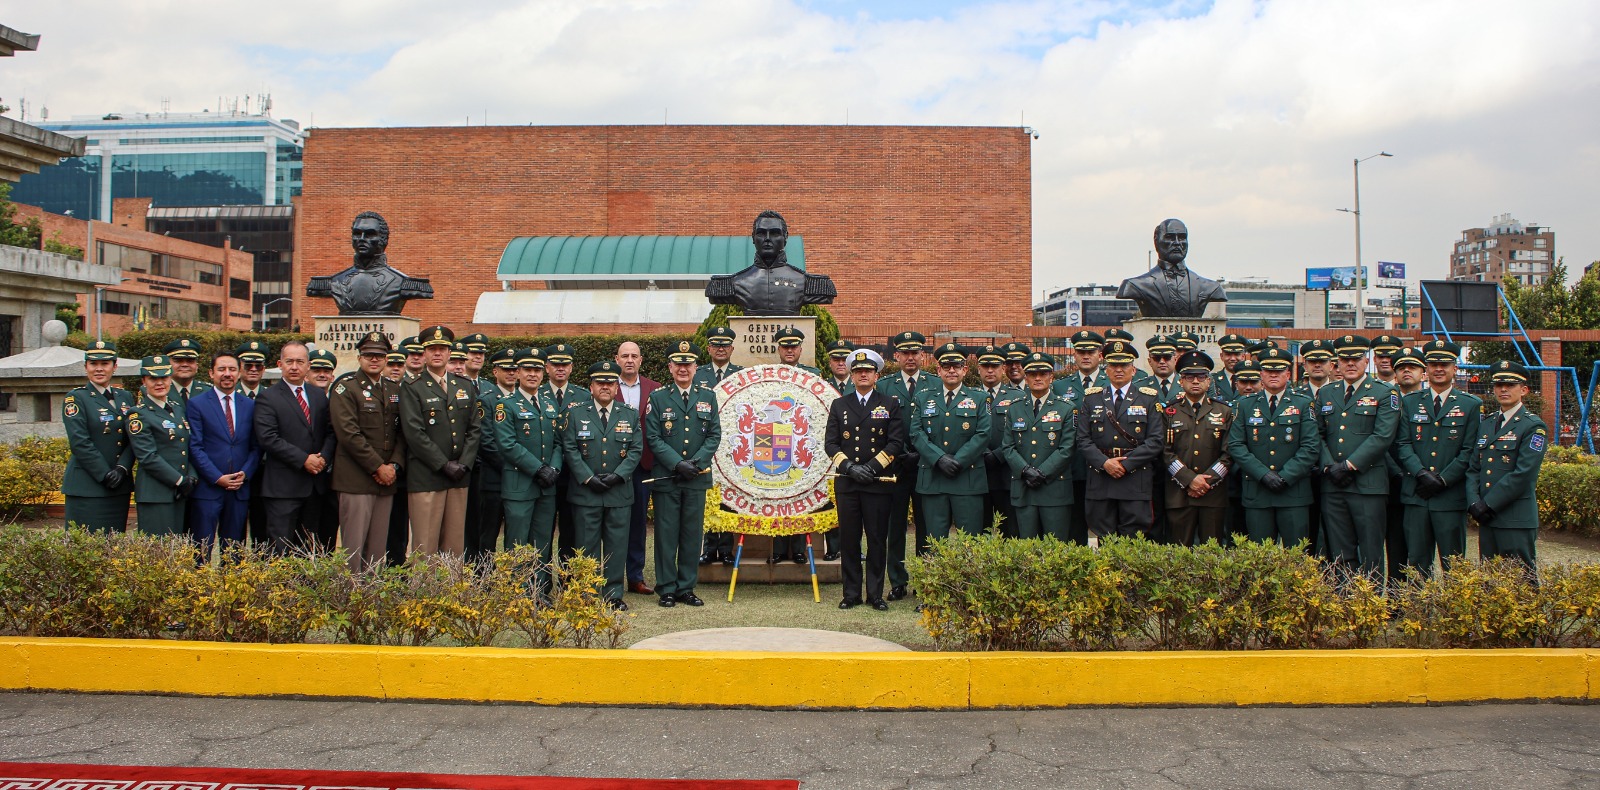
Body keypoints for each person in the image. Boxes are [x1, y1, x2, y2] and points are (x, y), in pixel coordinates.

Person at [1314, 335, 1400, 578]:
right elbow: (1317, 435)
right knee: (1340, 552)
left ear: (1367, 360)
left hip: (1368, 485)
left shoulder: (1384, 393)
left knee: (1371, 551)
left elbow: (1382, 437)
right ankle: (1343, 605)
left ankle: (1369, 608)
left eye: (1356, 358)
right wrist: (1330, 467)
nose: (1350, 363)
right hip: (1333, 485)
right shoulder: (1326, 393)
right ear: (1337, 363)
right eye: (1345, 359)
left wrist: (1349, 466)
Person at [826, 349, 906, 610]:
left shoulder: (890, 403)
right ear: (851, 375)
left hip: (877, 483)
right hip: (848, 483)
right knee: (849, 540)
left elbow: (895, 443)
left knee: (876, 540)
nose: (862, 374)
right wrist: (849, 467)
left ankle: (875, 594)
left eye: (868, 371)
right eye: (858, 371)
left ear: (877, 375)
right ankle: (850, 593)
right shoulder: (839, 405)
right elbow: (831, 444)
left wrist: (870, 468)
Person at [1393, 340, 1480, 576]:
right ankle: (1420, 612)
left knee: (1454, 565)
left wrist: (1442, 480)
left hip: (1449, 497)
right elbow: (1402, 443)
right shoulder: (1410, 402)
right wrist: (1421, 474)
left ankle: (1453, 612)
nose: (1439, 368)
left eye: (1445, 364)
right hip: (1416, 495)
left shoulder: (1471, 405)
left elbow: (1469, 450)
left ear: (1455, 368)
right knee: (1417, 563)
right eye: (1433, 364)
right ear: (1426, 369)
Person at [645, 341, 721, 608]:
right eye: (678, 364)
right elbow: (653, 437)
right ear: (670, 367)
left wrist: (696, 463)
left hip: (696, 478)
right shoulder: (658, 397)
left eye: (688, 364)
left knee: (691, 535)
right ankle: (666, 588)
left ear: (695, 367)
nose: (683, 369)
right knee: (666, 535)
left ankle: (686, 587)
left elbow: (714, 435)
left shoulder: (707, 396)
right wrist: (678, 464)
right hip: (668, 477)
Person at [563, 360, 643, 609]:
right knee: (586, 545)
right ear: (591, 386)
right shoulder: (575, 413)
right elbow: (570, 449)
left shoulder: (629, 413)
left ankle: (613, 594)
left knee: (617, 545)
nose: (605, 387)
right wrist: (588, 477)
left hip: (618, 491)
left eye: (610, 383)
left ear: (616, 387)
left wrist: (619, 475)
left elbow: (635, 449)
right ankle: (586, 592)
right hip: (586, 492)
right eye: (600, 383)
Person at [328, 332, 407, 572]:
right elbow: (348, 434)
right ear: (360, 357)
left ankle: (372, 600)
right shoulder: (346, 388)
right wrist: (378, 467)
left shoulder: (394, 389)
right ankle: (352, 600)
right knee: (354, 549)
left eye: (380, 356)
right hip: (356, 479)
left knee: (377, 550)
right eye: (369, 355)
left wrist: (394, 465)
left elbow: (402, 433)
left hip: (386, 481)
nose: (375, 360)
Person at [400, 326, 481, 557]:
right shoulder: (412, 387)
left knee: (454, 545)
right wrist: (443, 464)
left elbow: (474, 429)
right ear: (424, 354)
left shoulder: (463, 385)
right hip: (428, 476)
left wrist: (464, 463)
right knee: (425, 545)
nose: (437, 353)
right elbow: (414, 433)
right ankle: (424, 592)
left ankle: (453, 593)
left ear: (449, 354)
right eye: (432, 349)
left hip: (459, 476)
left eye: (442, 349)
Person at [1228, 348, 1321, 547]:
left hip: (1293, 493)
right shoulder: (1244, 405)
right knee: (1259, 559)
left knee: (1296, 557)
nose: (1273, 375)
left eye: (1278, 371)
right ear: (1261, 374)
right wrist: (1263, 474)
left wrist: (1285, 476)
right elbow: (1236, 445)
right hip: (1258, 492)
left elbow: (1311, 447)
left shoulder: (1304, 404)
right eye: (1268, 371)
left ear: (1288, 374)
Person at [1465, 360, 1548, 573]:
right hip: (1487, 517)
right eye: (1498, 385)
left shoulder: (1533, 426)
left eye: (1510, 385)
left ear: (1524, 390)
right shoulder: (1487, 424)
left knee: (1522, 580)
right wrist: (1474, 503)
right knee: (1490, 580)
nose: (1503, 389)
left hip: (1515, 518)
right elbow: (1474, 468)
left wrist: (1488, 504)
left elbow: (1524, 474)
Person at [1076, 340, 1165, 538]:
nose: (1118, 370)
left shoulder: (1148, 398)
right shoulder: (1092, 398)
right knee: (1101, 536)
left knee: (1134, 538)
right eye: (1113, 365)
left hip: (1134, 477)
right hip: (1101, 478)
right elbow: (1082, 439)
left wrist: (1126, 465)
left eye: (1124, 365)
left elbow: (1156, 440)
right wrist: (1105, 463)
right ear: (1105, 370)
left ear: (1133, 370)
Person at [253, 341, 335, 554]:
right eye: (289, 361)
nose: (294, 367)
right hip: (283, 488)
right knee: (280, 549)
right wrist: (304, 460)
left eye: (300, 361)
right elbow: (268, 438)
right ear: (280, 364)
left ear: (308, 366)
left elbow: (330, 431)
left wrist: (323, 458)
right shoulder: (267, 397)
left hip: (314, 486)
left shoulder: (317, 395)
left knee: (309, 550)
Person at [495, 347, 563, 593]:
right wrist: (538, 469)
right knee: (517, 542)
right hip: (520, 486)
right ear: (518, 373)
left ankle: (540, 591)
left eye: (536, 369)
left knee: (543, 541)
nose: (532, 374)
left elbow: (558, 441)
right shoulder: (507, 405)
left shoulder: (548, 404)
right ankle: (518, 593)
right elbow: (507, 444)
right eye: (527, 369)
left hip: (546, 486)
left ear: (543, 373)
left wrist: (553, 468)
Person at [906, 343, 990, 539]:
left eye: (957, 366)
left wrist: (958, 461)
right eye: (946, 366)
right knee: (935, 541)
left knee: (969, 542)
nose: (951, 370)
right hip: (934, 477)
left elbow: (983, 434)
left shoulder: (979, 398)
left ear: (965, 369)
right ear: (938, 369)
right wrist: (940, 458)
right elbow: (916, 433)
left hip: (967, 478)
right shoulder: (923, 398)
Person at [185, 350, 257, 563]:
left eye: (232, 369)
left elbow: (256, 446)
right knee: (201, 550)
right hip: (209, 489)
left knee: (234, 552)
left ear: (239, 373)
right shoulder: (197, 404)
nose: (227, 374)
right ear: (211, 373)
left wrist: (245, 473)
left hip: (239, 489)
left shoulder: (250, 405)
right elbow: (195, 447)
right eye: (222, 369)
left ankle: (232, 594)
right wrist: (217, 477)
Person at [877, 330, 934, 600]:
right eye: (905, 353)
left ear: (922, 356)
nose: (910, 358)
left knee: (927, 526)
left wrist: (922, 453)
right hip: (895, 465)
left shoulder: (934, 384)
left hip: (926, 465)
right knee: (895, 526)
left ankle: (924, 580)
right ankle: (897, 581)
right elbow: (879, 427)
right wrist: (897, 452)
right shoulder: (885, 386)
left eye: (915, 353)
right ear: (896, 356)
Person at [61, 339, 136, 533]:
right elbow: (79, 442)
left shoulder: (125, 397)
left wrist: (122, 469)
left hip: (119, 486)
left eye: (105, 364)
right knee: (85, 549)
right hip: (87, 486)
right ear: (86, 366)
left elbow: (134, 437)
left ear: (115, 366)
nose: (99, 369)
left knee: (113, 547)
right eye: (94, 364)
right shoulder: (76, 398)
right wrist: (104, 474)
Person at [1000, 352, 1077, 540]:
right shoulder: (1015, 407)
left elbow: (1067, 448)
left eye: (1043, 373)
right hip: (1024, 487)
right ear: (1026, 377)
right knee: (1027, 550)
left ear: (1051, 376)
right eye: (1032, 374)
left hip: (1054, 489)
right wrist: (1025, 470)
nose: (1037, 378)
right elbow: (1008, 447)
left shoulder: (1066, 407)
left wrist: (1042, 473)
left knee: (1056, 549)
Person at [1161, 350, 1233, 546]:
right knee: (1178, 554)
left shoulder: (1224, 411)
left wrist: (1206, 482)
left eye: (1201, 376)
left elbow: (1229, 453)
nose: (1195, 381)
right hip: (1179, 494)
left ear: (1208, 381)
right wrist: (1189, 480)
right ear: (1181, 381)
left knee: (1212, 556)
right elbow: (1164, 451)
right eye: (1189, 377)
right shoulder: (1169, 411)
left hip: (1213, 495)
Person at [705, 210, 837, 316]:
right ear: (753, 238)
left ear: (785, 238)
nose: (767, 239)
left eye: (774, 233)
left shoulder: (810, 283)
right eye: (761, 233)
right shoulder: (731, 284)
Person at [305, 210, 434, 315]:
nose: (361, 239)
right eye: (357, 234)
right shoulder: (333, 282)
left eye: (369, 234)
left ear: (383, 239)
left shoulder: (403, 283)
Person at [126, 355, 195, 537]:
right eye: (153, 378)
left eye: (164, 378)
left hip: (180, 492)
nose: (159, 383)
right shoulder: (138, 415)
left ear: (170, 379)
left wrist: (191, 478)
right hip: (155, 494)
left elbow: (187, 447)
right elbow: (148, 456)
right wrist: (180, 481)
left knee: (177, 551)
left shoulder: (177, 409)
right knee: (158, 553)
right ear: (144, 381)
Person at [693, 327, 743, 565]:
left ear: (732, 349)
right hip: (704, 444)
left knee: (729, 498)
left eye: (725, 345)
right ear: (709, 349)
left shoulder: (742, 374)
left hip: (733, 446)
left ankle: (726, 550)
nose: (721, 349)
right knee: (709, 497)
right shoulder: (698, 374)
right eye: (716, 345)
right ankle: (708, 548)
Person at [768, 327, 818, 565]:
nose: (789, 350)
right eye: (785, 346)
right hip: (776, 438)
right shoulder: (768, 375)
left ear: (800, 349)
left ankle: (798, 549)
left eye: (794, 346)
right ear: (778, 349)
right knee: (777, 492)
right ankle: (778, 549)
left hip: (801, 439)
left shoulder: (813, 374)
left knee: (799, 493)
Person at [614, 340, 659, 595]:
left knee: (638, 523)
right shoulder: (606, 386)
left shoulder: (656, 389)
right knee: (613, 523)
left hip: (643, 467)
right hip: (613, 467)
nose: (629, 360)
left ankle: (635, 577)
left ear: (641, 360)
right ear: (617, 359)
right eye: (625, 356)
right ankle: (610, 576)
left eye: (634, 356)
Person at [1115, 218, 1228, 318]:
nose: (1177, 243)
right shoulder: (1135, 285)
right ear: (1156, 240)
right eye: (1170, 237)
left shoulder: (1211, 288)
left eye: (1182, 238)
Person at [542, 343, 591, 563]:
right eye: (555, 364)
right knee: (542, 531)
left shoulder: (582, 395)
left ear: (571, 367)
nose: (560, 369)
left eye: (565, 364)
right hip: (544, 475)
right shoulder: (537, 393)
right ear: (546, 368)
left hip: (573, 475)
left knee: (571, 532)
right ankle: (540, 587)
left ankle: (568, 581)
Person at [465, 347, 515, 565]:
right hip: (494, 479)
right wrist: (513, 467)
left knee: (516, 535)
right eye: (506, 369)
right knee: (488, 534)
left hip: (519, 482)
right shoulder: (486, 399)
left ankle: (513, 579)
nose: (511, 373)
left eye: (515, 369)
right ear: (495, 372)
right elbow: (485, 441)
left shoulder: (526, 399)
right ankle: (483, 578)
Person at [976, 345, 1023, 538]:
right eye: (985, 366)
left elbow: (1020, 432)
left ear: (1003, 368)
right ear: (978, 368)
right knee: (979, 533)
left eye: (994, 366)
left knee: (1010, 531)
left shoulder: (1018, 397)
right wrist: (982, 451)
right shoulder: (969, 396)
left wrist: (998, 455)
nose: (990, 370)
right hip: (978, 472)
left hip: (1007, 474)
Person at [820, 337, 856, 558]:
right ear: (830, 362)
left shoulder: (863, 384)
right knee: (829, 503)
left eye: (845, 359)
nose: (840, 363)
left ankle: (854, 548)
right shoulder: (820, 384)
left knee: (856, 504)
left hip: (856, 452)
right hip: (829, 451)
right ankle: (833, 548)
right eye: (836, 359)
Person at [234, 340, 270, 548]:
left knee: (262, 528)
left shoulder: (271, 395)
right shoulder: (230, 395)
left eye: (259, 366)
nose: (254, 370)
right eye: (248, 365)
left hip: (265, 472)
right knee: (234, 528)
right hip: (236, 470)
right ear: (241, 367)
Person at [162, 338, 210, 406]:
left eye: (190, 360)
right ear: (168, 364)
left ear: (196, 365)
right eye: (178, 360)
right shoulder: (158, 390)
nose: (185, 365)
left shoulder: (208, 391)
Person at [1210, 334, 1249, 404]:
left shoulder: (1252, 380)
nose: (1233, 359)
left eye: (1237, 354)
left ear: (1243, 356)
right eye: (1228, 354)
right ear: (1221, 356)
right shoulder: (1212, 379)